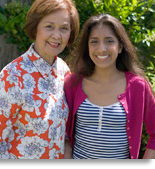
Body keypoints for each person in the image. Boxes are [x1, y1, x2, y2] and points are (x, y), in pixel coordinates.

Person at [0, 0, 79, 159]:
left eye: (64, 28)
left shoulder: (64, 71)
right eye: (49, 26)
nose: (57, 35)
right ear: (35, 28)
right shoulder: (13, 76)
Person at [64, 14, 155, 159]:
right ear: (87, 47)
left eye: (109, 41)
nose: (101, 49)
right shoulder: (73, 83)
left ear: (120, 47)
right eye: (94, 41)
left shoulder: (138, 86)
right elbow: (63, 134)